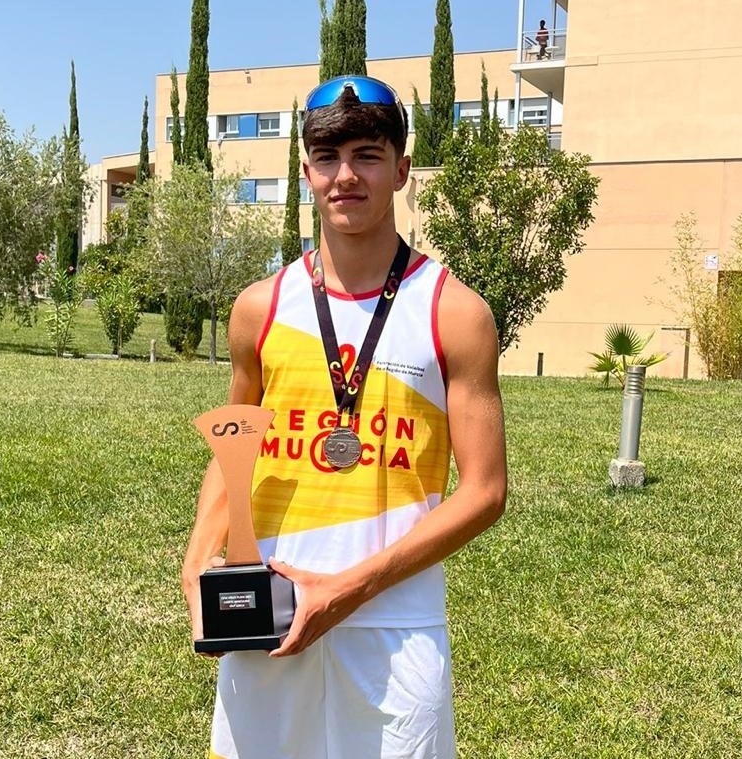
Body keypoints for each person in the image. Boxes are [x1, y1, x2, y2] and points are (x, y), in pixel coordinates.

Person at [181, 74, 508, 759]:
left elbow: (485, 491)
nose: (346, 176)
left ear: (402, 168)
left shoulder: (455, 312)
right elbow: (232, 449)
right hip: (270, 611)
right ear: (306, 172)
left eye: (367, 154)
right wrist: (195, 560)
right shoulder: (259, 307)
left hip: (394, 619)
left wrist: (350, 588)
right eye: (327, 159)